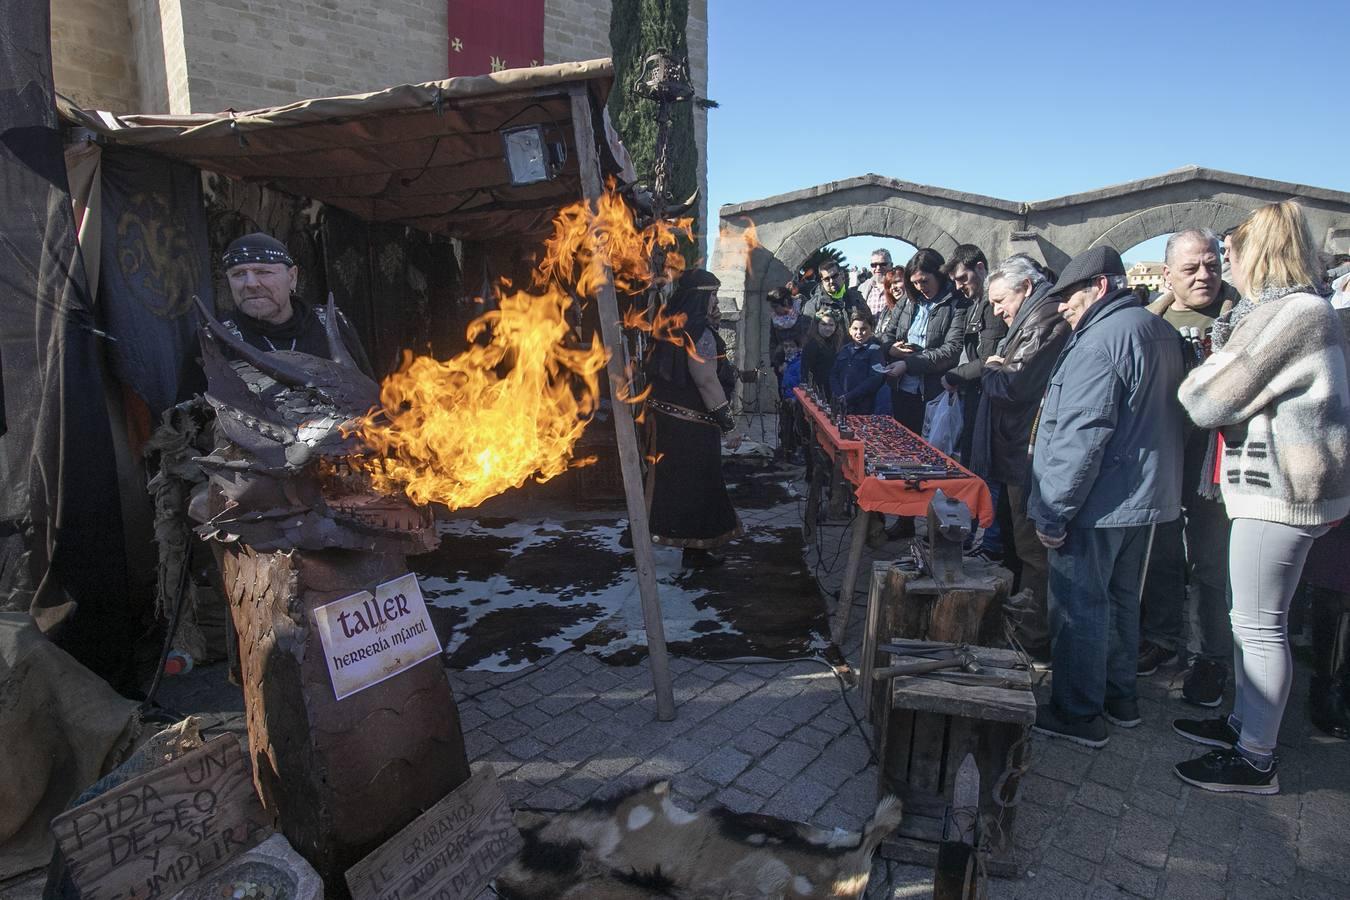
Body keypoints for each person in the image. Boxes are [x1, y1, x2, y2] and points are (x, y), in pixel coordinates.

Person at [1171, 201, 1350, 794]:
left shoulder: (1291, 313)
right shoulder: (1296, 310)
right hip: (1279, 489)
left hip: (1280, 493)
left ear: (1258, 252)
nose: (1226, 267)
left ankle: (1255, 757)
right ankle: (1246, 724)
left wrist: (1207, 371)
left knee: (1258, 625)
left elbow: (1206, 398)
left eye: (1230, 254)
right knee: (1250, 621)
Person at [1027, 245, 1186, 748]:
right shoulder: (1156, 329)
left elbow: (1082, 434)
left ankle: (1078, 712)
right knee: (1121, 602)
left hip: (1096, 502)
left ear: (1099, 287)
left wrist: (1053, 511)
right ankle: (1120, 700)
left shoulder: (1099, 342)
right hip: (1142, 497)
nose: (1064, 310)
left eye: (1070, 299)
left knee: (1079, 606)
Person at [1136, 229, 1242, 705]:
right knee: (1159, 552)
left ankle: (1211, 658)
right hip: (1163, 453)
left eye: (1212, 265)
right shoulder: (1146, 322)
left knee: (1211, 563)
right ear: (1167, 275)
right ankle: (1160, 638)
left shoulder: (1244, 318)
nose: (1205, 275)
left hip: (1216, 463)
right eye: (1191, 268)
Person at [968, 255, 1071, 659]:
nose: (997, 311)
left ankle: (1033, 637)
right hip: (1014, 449)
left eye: (1000, 301)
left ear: (1025, 287)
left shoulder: (1045, 319)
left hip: (1025, 453)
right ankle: (1021, 621)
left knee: (1032, 551)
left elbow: (1013, 385)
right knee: (1019, 544)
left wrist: (991, 369)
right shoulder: (1033, 317)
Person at [181, 233, 373, 399]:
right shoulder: (213, 339)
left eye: (263, 272)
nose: (251, 283)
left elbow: (368, 396)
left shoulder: (332, 325)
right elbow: (187, 422)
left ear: (292, 277)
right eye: (239, 274)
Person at [645, 269, 745, 569]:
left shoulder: (666, 326)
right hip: (692, 429)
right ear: (700, 296)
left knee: (672, 486)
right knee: (699, 487)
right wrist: (729, 425)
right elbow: (706, 381)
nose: (715, 301)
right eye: (712, 294)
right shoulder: (698, 332)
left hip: (664, 423)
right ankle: (696, 553)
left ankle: (687, 548)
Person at [878, 248, 971, 434]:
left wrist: (907, 364)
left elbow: (952, 350)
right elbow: (887, 334)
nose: (920, 287)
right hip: (902, 388)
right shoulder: (908, 301)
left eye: (924, 281)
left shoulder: (957, 303)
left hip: (935, 390)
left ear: (939, 275)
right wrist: (891, 349)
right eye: (915, 283)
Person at [941, 244, 1008, 466]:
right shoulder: (974, 304)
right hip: (974, 392)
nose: (959, 286)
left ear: (980, 268)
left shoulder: (991, 306)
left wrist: (954, 376)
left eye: (963, 278)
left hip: (985, 395)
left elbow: (988, 358)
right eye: (956, 281)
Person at [829, 312, 886, 414]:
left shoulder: (875, 351)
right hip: (840, 405)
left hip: (863, 407)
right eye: (855, 329)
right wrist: (840, 395)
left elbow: (874, 380)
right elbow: (833, 374)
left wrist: (849, 397)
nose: (859, 332)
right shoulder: (845, 349)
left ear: (871, 330)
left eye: (863, 329)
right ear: (850, 330)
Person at [801, 259, 869, 325]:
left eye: (834, 276)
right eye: (826, 279)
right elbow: (806, 333)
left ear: (842, 275)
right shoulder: (813, 305)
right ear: (822, 280)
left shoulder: (857, 298)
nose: (831, 281)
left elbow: (869, 323)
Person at [801, 308, 845, 398]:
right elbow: (805, 369)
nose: (827, 328)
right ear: (817, 325)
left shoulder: (838, 343)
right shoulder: (812, 344)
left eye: (831, 325)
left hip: (835, 388)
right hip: (819, 389)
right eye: (823, 324)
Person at [861, 248, 894, 318]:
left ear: (891, 266)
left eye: (883, 264)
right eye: (874, 265)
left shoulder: (898, 288)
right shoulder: (863, 288)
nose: (878, 268)